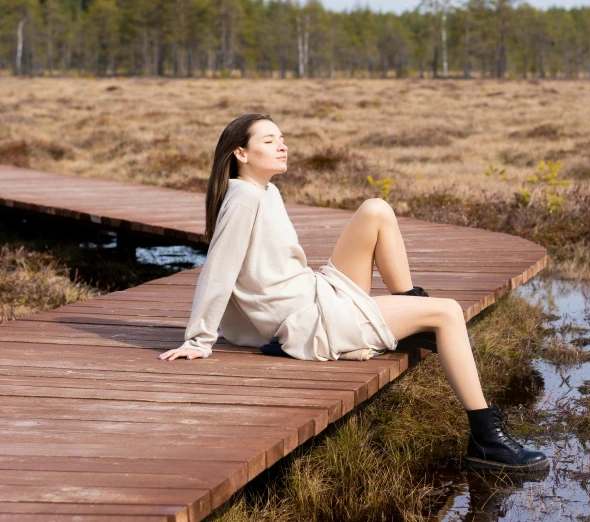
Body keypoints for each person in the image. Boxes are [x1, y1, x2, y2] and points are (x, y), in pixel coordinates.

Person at [157, 114, 549, 472]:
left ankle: (410, 310)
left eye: (283, 138)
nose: (283, 145)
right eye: (270, 140)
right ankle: (485, 439)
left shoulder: (264, 191)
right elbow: (219, 270)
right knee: (446, 312)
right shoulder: (243, 198)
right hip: (311, 319)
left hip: (316, 293)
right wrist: (200, 338)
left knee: (375, 209)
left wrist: (249, 330)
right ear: (240, 153)